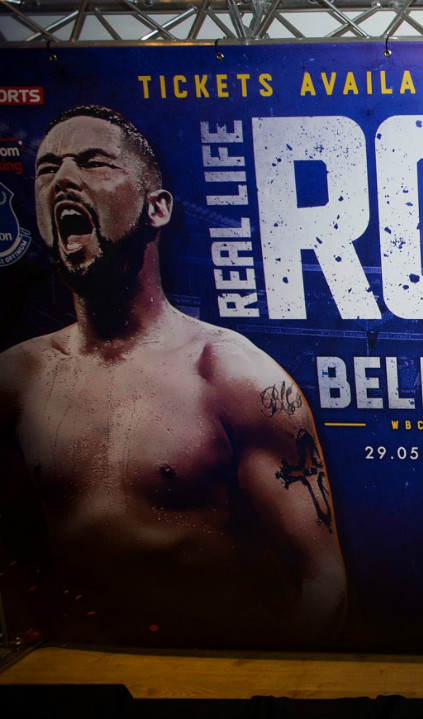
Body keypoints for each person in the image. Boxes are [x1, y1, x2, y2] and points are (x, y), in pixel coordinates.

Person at [0, 105, 347, 648]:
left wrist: (272, 696)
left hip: (214, 679)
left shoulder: (231, 374)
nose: (64, 180)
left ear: (157, 208)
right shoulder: (16, 378)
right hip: (79, 679)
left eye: (94, 164)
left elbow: (319, 578)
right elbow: (12, 552)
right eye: (47, 169)